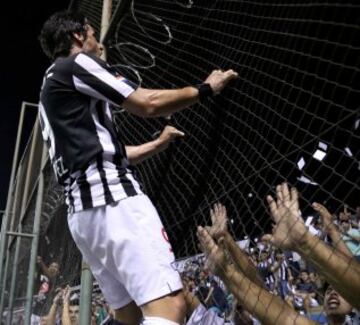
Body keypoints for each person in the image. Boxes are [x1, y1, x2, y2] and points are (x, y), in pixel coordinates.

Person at [38, 10, 238, 325]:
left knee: (129, 315)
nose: (96, 41)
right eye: (91, 32)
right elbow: (148, 103)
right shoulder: (75, 64)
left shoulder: (49, 89)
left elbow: (102, 153)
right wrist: (205, 88)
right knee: (170, 307)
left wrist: (157, 145)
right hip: (114, 203)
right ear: (78, 36)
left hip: (84, 217)